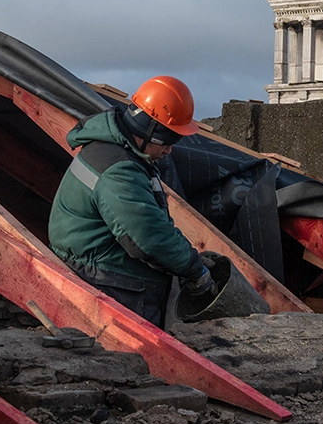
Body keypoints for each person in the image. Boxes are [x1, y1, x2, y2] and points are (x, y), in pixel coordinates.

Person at [48, 75, 214, 327]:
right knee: (139, 356)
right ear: (151, 131)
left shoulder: (113, 150)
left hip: (94, 262)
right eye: (169, 141)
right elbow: (148, 238)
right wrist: (194, 268)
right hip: (107, 277)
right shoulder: (119, 170)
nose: (170, 150)